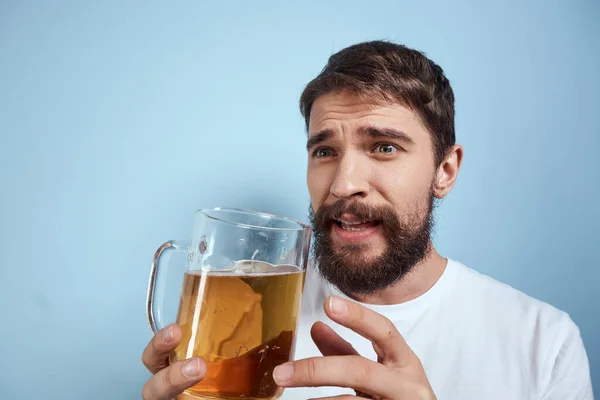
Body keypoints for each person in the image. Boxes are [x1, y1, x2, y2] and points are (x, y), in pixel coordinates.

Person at [140, 40, 594, 400]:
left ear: (445, 170)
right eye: (324, 151)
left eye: (384, 147)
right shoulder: (235, 319)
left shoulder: (544, 343)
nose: (342, 184)